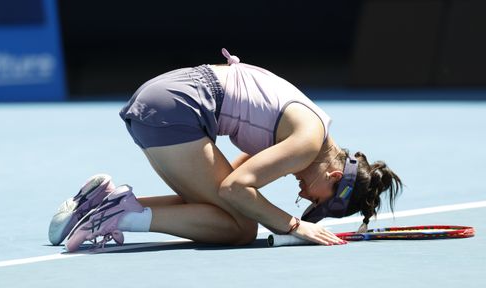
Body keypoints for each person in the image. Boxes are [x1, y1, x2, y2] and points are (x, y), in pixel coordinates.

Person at [49, 49, 402, 252]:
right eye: (320, 201)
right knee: (240, 230)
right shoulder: (308, 141)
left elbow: (229, 186)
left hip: (165, 98)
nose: (306, 198)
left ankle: (97, 203)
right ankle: (118, 217)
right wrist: (294, 226)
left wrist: (258, 212)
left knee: (225, 211)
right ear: (335, 175)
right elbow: (234, 190)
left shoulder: (310, 132)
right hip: (178, 108)